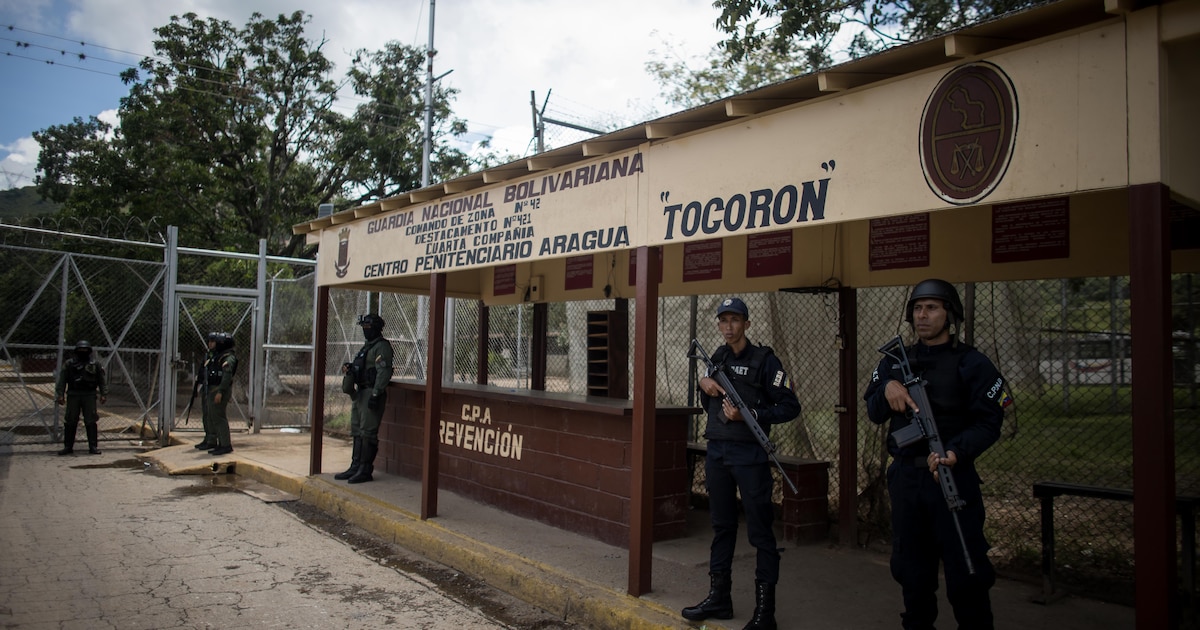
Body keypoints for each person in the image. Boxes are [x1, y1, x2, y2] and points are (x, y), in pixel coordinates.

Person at [863, 279, 1012, 630]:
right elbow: (872, 411)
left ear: (950, 314)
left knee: (967, 572)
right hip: (907, 479)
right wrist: (887, 388)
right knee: (911, 571)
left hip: (950, 478)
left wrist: (955, 451)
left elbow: (990, 421)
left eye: (932, 307)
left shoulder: (972, 363)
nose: (923, 315)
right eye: (917, 308)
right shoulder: (894, 362)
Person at [682, 297, 801, 630]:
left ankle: (765, 612)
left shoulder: (766, 361)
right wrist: (703, 385)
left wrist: (753, 415)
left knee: (761, 533)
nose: (729, 326)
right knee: (722, 527)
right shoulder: (716, 358)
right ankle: (719, 598)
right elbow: (709, 402)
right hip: (718, 451)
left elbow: (790, 406)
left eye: (735, 320)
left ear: (747, 324)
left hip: (750, 455)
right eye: (723, 321)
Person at [336, 313, 394, 484]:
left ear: (376, 328)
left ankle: (365, 469)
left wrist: (376, 394)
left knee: (368, 432)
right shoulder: (366, 347)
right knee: (357, 431)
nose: (365, 331)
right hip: (360, 393)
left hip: (370, 392)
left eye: (368, 328)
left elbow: (383, 372)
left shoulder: (381, 347)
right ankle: (355, 466)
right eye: (364, 328)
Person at [55, 340, 108, 455]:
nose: (83, 352)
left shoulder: (95, 364)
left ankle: (93, 447)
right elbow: (63, 379)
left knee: (91, 420)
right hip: (73, 394)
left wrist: (103, 394)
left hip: (89, 395)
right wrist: (60, 394)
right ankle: (68, 446)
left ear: (89, 351)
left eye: (85, 350)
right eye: (81, 350)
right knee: (70, 420)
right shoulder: (69, 364)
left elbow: (101, 380)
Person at [202, 332, 238, 456]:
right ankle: (219, 443)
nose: (213, 344)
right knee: (213, 417)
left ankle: (226, 445)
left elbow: (227, 376)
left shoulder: (228, 358)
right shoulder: (218, 356)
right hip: (213, 389)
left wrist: (220, 392)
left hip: (219, 390)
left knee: (219, 418)